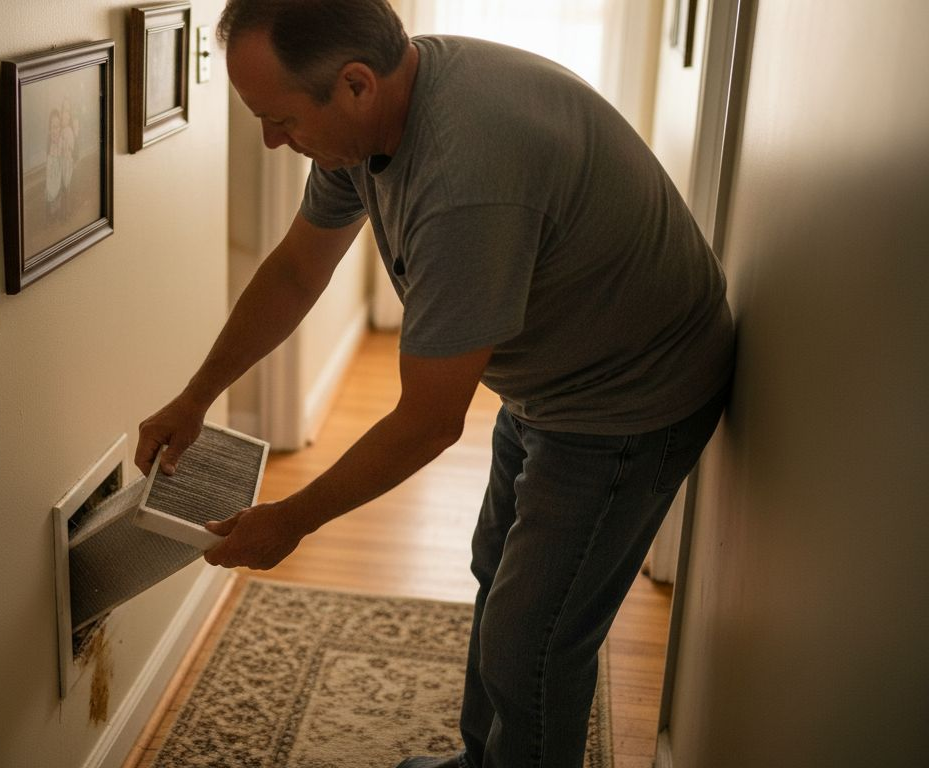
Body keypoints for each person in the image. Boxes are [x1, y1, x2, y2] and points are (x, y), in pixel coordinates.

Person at [135, 1, 736, 767]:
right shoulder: (375, 115)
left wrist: (290, 519)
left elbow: (427, 422)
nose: (271, 141)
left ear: (356, 84)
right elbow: (295, 272)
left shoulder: (465, 179)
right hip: (552, 374)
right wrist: (195, 397)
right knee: (497, 570)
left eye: (280, 119)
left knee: (533, 643)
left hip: (627, 398)